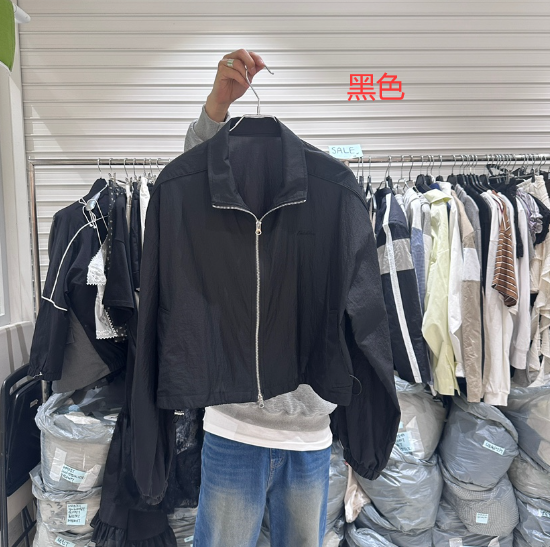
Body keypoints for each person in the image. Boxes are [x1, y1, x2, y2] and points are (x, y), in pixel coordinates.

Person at [185, 49, 337, 547]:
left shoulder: (329, 195)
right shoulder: (220, 209)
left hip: (309, 427)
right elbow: (191, 180)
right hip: (234, 425)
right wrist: (216, 108)